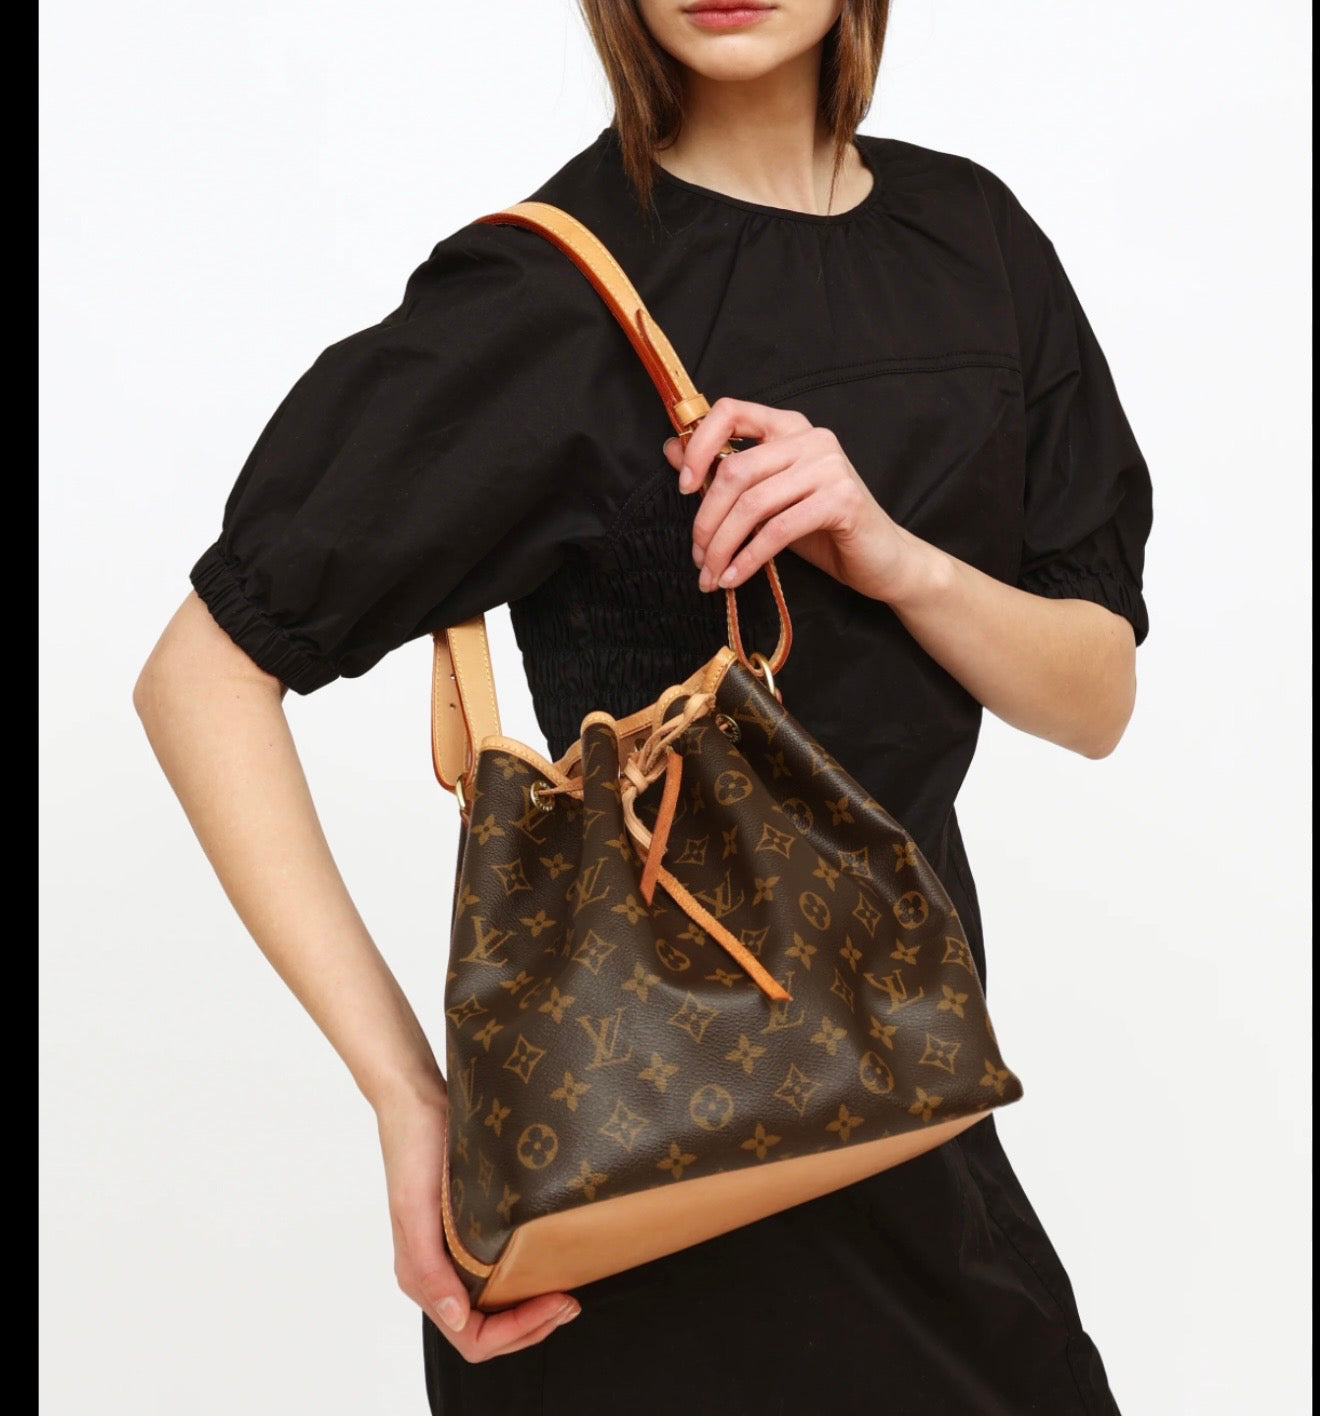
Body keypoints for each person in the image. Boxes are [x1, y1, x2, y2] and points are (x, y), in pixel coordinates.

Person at [134, 1, 1153, 1411]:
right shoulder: (547, 289)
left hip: (913, 1131)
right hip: (627, 1201)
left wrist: (887, 553)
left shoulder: (973, 241)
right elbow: (201, 674)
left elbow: (1096, 694)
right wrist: (408, 1098)